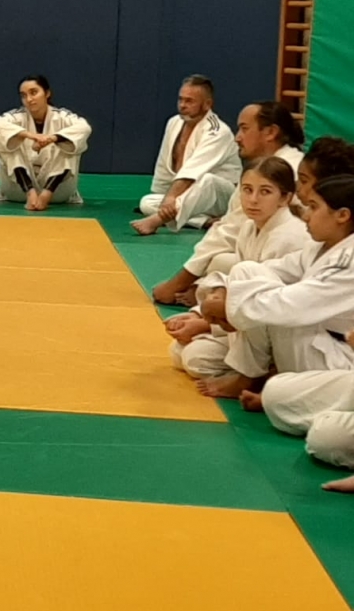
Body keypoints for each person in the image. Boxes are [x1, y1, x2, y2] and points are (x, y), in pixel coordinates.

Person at [195, 174, 354, 401]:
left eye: (313, 207)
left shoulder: (349, 261)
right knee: (247, 271)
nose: (306, 216)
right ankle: (252, 376)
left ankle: (259, 380)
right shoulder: (319, 248)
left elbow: (293, 304)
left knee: (285, 313)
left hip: (336, 361)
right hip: (310, 345)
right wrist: (221, 289)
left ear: (342, 215)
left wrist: (227, 307)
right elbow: (270, 270)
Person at [165, 157, 309, 385]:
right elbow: (235, 288)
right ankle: (259, 368)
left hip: (282, 331)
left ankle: (258, 374)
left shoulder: (290, 236)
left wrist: (206, 324)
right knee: (182, 353)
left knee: (196, 359)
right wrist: (198, 314)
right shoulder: (249, 227)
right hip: (247, 324)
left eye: (265, 192)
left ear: (285, 198)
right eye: (247, 190)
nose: (253, 199)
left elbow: (263, 303)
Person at [151, 102, 307, 304]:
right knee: (220, 260)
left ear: (270, 132)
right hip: (267, 264)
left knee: (224, 262)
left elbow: (229, 233)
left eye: (244, 128)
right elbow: (230, 229)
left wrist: (179, 284)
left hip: (290, 275)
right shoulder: (266, 166)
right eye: (248, 191)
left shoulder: (287, 170)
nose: (237, 137)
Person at [132, 75, 242, 236]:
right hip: (189, 196)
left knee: (208, 180)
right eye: (181, 99)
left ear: (207, 104)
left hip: (222, 197)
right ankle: (205, 221)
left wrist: (170, 198)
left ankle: (157, 220)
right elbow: (164, 164)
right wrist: (164, 196)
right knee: (147, 203)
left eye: (189, 101)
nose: (183, 105)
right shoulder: (174, 122)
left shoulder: (217, 130)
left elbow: (192, 170)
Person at [0, 75, 91, 211]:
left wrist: (52, 139)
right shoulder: (16, 117)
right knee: (6, 140)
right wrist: (31, 135)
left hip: (58, 192)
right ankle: (30, 192)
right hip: (17, 191)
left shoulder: (62, 117)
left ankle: (46, 195)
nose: (29, 99)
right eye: (24, 95)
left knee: (70, 144)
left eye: (34, 92)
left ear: (47, 93)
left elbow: (84, 127)